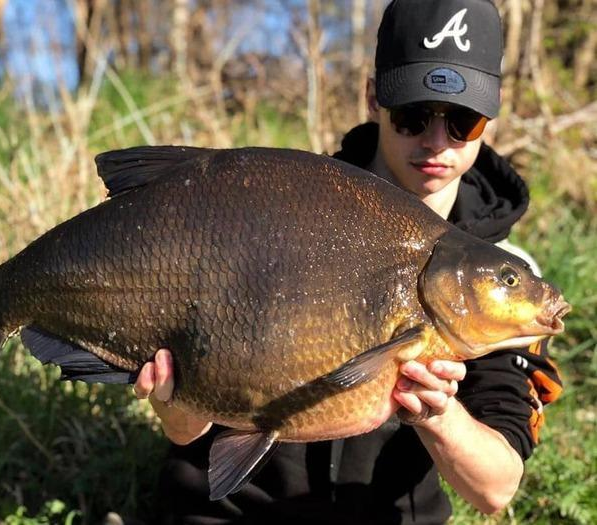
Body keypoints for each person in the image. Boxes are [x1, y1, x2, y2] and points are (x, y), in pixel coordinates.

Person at [134, 1, 563, 523]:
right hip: (228, 508)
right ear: (372, 97)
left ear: (490, 118)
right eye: (413, 114)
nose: (434, 140)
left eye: (462, 122)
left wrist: (440, 415)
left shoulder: (502, 278)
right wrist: (174, 401)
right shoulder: (281, 206)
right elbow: (187, 432)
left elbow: (496, 489)